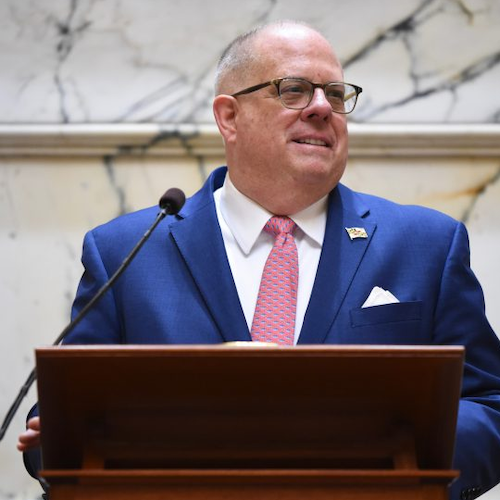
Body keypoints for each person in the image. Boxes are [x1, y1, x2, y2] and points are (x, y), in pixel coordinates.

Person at [18, 20, 500, 500]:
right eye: (292, 90)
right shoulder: (126, 252)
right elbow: (59, 425)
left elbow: (489, 405)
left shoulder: (427, 245)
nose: (320, 108)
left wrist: (391, 455)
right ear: (229, 117)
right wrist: (63, 442)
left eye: (334, 94)